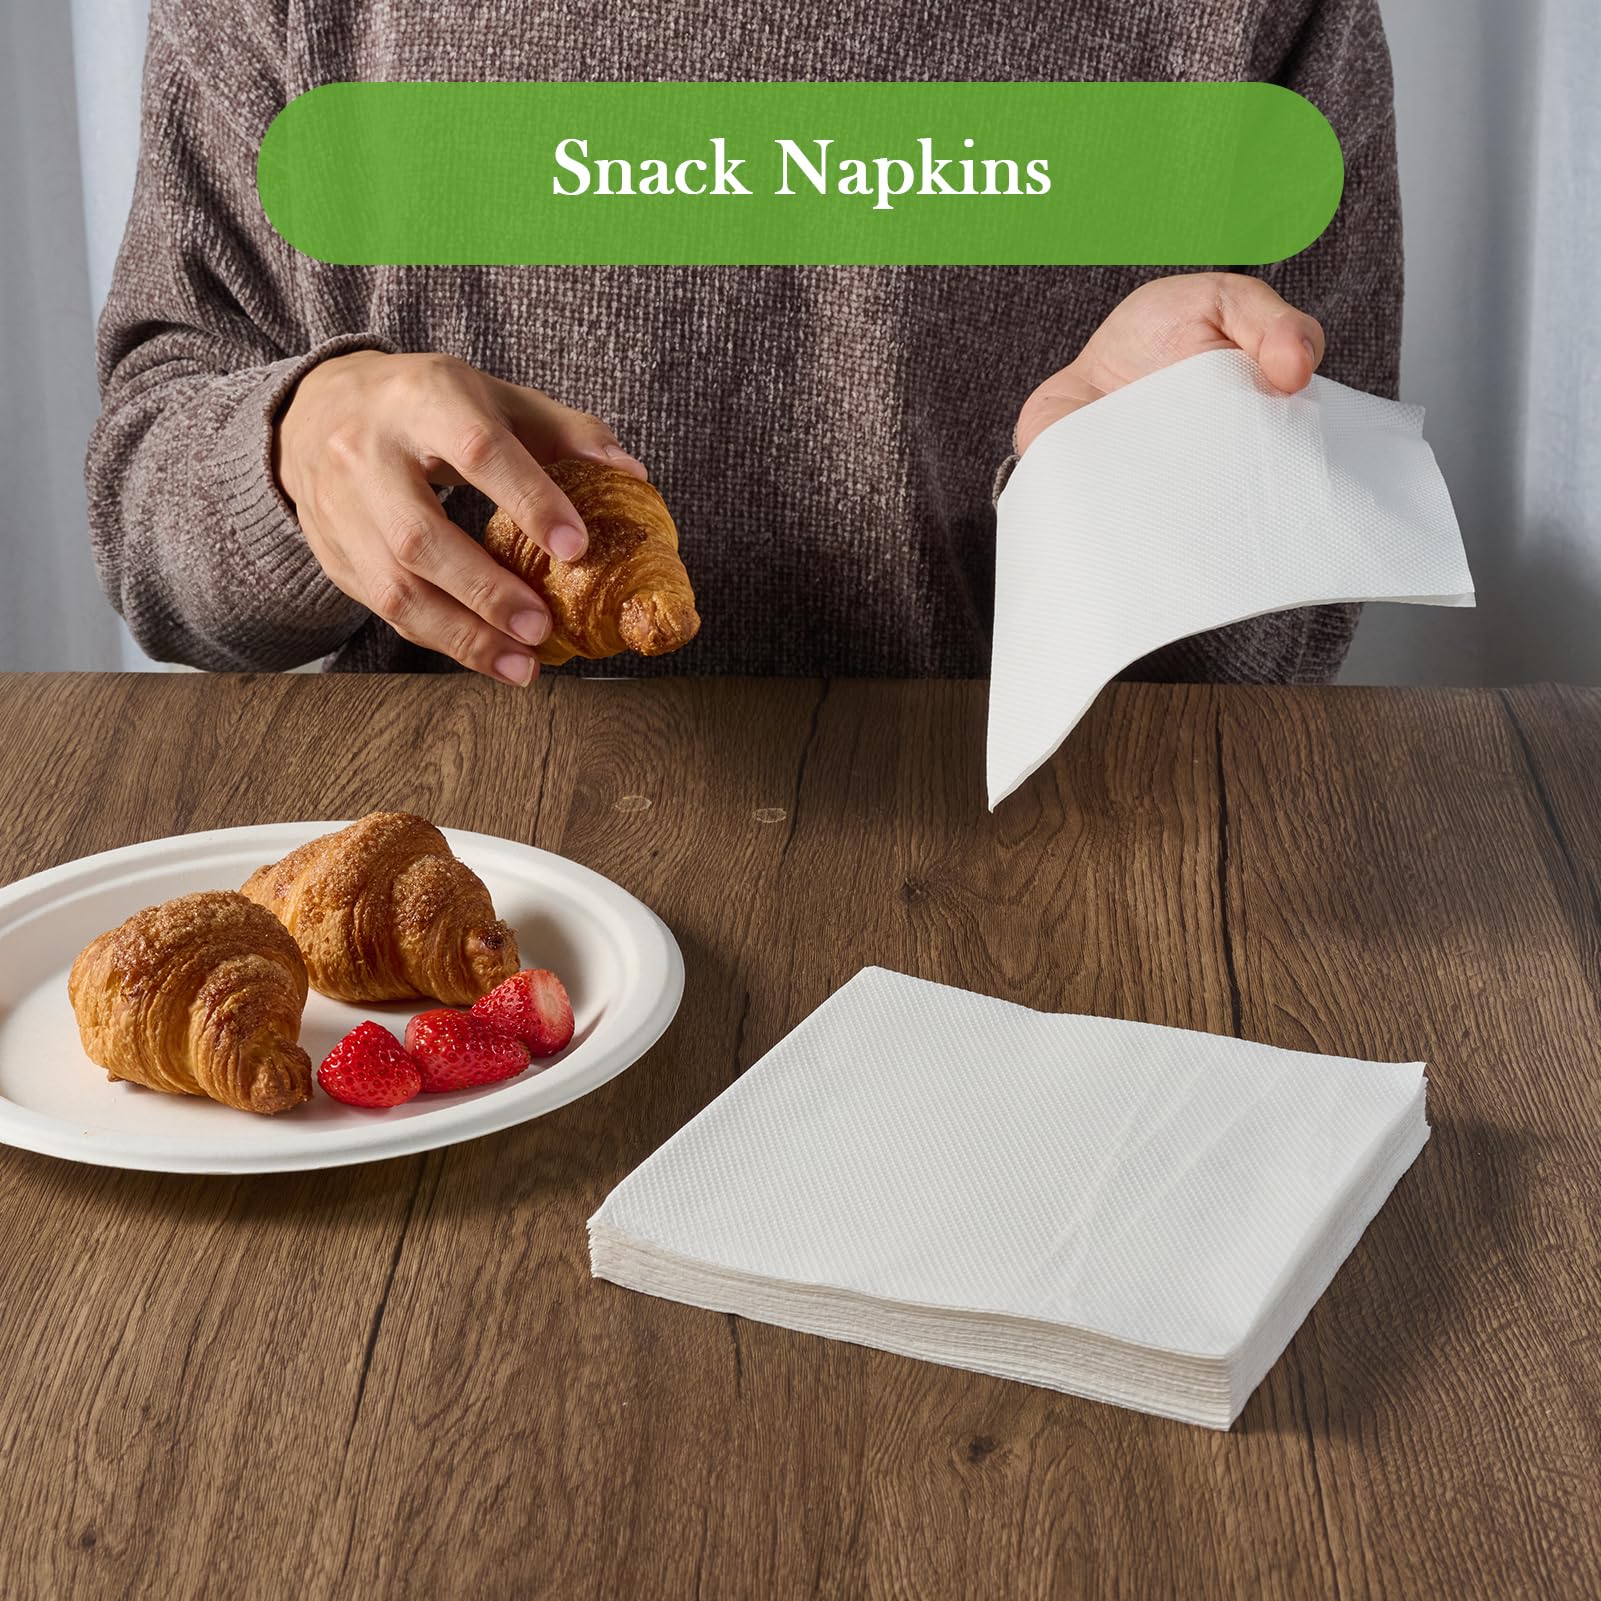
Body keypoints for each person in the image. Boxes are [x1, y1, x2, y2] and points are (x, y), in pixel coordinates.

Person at [86, 0, 1401, 687]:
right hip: (477, 922)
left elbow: (1301, 609)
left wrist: (1146, 497)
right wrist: (297, 445)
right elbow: (147, 501)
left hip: (1040, 910)